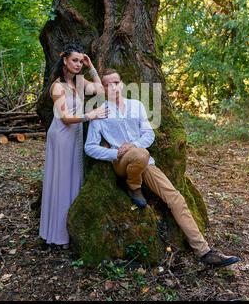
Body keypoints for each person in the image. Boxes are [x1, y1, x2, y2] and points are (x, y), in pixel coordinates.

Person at [84, 68, 240, 268]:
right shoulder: (101, 113)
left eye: (116, 82)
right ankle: (133, 185)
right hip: (121, 162)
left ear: (122, 84)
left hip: (144, 161)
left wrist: (133, 145)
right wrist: (115, 153)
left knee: (176, 198)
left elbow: (148, 135)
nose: (113, 87)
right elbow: (90, 147)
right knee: (140, 154)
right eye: (108, 84)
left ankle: (204, 252)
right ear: (103, 88)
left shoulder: (136, 106)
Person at [39, 45, 108, 249]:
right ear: (64, 61)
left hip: (75, 135)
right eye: (75, 60)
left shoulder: (79, 83)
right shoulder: (57, 87)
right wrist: (91, 115)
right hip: (61, 136)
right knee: (60, 182)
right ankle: (55, 235)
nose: (78, 64)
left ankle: (67, 231)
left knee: (73, 179)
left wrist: (91, 67)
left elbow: (101, 90)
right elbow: (66, 118)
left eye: (80, 61)